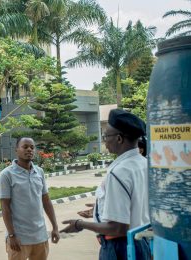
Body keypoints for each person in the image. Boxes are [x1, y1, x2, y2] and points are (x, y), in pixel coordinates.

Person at [60, 109, 151, 260]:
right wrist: (99, 208)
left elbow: (118, 228)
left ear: (119, 139)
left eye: (106, 136)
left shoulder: (119, 172)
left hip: (119, 248)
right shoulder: (144, 164)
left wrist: (79, 224)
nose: (104, 141)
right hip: (141, 244)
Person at [0, 137, 60, 260]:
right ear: (16, 149)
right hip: (19, 238)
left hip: (40, 236)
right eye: (25, 147)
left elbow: (46, 201)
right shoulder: (6, 174)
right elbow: (5, 207)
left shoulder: (39, 172)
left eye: (32, 147)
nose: (29, 150)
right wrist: (11, 235)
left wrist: (55, 227)